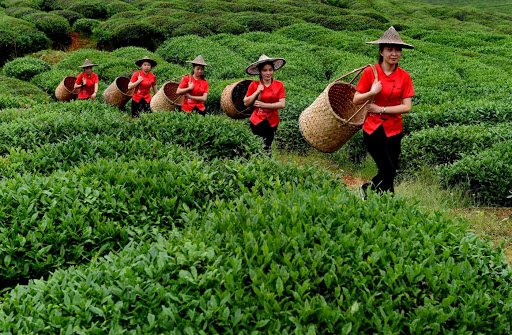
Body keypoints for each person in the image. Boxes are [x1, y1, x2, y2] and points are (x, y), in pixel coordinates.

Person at [353, 26, 415, 199]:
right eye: (389, 49)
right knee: (387, 168)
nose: (394, 53)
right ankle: (382, 199)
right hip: (373, 128)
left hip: (394, 129)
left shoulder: (405, 76)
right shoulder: (370, 72)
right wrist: (372, 92)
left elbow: (407, 107)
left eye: (397, 50)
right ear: (381, 52)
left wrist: (381, 109)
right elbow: (356, 99)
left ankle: (372, 193)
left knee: (391, 170)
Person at [243, 54, 286, 155]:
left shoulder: (279, 85)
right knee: (257, 146)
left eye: (270, 70)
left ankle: (267, 166)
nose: (268, 73)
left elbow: (282, 104)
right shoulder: (254, 85)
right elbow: (246, 102)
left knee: (267, 146)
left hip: (272, 121)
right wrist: (257, 91)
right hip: (257, 120)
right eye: (265, 70)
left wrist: (264, 105)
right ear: (260, 72)